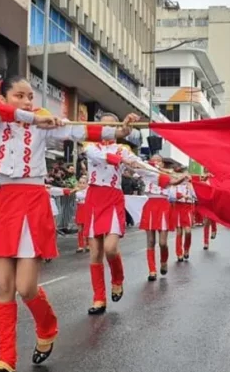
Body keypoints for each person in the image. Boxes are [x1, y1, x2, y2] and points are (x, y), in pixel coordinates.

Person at [0, 76, 139, 372]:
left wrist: (118, 130)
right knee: (3, 286)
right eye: (20, 95)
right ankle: (5, 358)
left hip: (32, 201)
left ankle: (47, 325)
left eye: (30, 96)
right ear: (4, 95)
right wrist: (35, 118)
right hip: (6, 203)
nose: (28, 101)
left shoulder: (43, 124)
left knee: (25, 288)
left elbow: (77, 130)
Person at [82, 118, 183, 315]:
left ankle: (117, 279)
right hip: (93, 197)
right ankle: (99, 298)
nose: (108, 128)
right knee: (95, 253)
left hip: (112, 197)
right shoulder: (90, 144)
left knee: (110, 249)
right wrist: (119, 160)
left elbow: (143, 168)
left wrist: (169, 178)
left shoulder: (124, 150)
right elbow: (95, 156)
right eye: (105, 124)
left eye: (113, 125)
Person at [140, 155, 175, 280]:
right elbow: (133, 172)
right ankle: (152, 270)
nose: (156, 162)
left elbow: (174, 182)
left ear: (162, 163)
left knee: (162, 243)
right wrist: (144, 165)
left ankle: (164, 261)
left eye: (159, 160)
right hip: (150, 204)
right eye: (154, 160)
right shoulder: (146, 173)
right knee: (150, 241)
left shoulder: (166, 174)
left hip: (164, 206)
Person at [171, 169, 196, 259]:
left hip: (188, 208)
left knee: (188, 231)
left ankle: (186, 249)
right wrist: (181, 196)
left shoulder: (190, 185)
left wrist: (191, 187)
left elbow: (196, 197)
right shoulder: (175, 185)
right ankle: (179, 253)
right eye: (183, 175)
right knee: (179, 232)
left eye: (187, 175)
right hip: (178, 207)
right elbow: (172, 195)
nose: (185, 177)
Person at [73, 178, 89, 253]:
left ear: (86, 184)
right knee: (80, 229)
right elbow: (79, 197)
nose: (82, 184)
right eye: (80, 183)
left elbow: (84, 196)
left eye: (83, 183)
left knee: (87, 228)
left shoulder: (88, 191)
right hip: (80, 210)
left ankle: (88, 244)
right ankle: (80, 245)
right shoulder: (77, 192)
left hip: (86, 210)